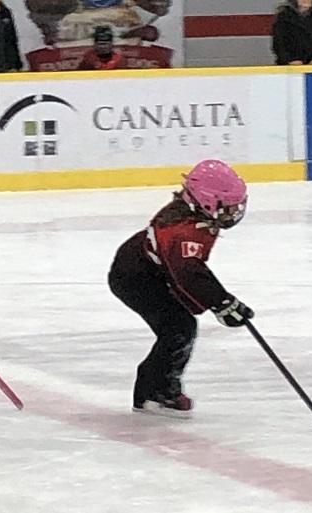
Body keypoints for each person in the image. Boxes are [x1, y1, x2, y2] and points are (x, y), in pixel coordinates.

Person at [108, 160, 253, 418]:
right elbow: (189, 273)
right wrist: (222, 303)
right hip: (134, 278)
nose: (233, 213)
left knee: (178, 326)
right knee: (178, 328)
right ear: (208, 201)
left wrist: (220, 302)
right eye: (228, 206)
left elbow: (190, 269)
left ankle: (157, 389)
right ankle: (155, 394)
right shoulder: (183, 230)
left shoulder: (193, 213)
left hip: (152, 272)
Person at [273, 0, 312, 65]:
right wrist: (289, 60)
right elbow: (279, 42)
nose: (306, 0)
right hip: (290, 65)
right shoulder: (284, 16)